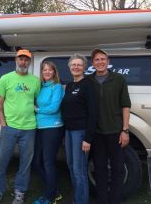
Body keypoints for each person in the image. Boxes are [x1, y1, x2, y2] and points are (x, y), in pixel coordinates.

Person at [0, 49, 41, 204]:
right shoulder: (5, 79)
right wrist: (4, 125)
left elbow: (38, 102)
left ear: (29, 62)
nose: (23, 62)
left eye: (26, 60)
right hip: (9, 128)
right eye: (21, 59)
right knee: (0, 162)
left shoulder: (35, 81)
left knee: (25, 163)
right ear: (15, 60)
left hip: (29, 128)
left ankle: (20, 192)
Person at [87, 49, 131, 204]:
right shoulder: (88, 81)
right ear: (92, 63)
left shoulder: (118, 79)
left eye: (103, 59)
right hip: (97, 133)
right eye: (97, 60)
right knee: (100, 169)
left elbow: (126, 105)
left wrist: (125, 130)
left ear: (108, 61)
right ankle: (102, 199)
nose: (100, 62)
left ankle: (115, 200)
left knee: (118, 169)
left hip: (116, 132)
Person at [60, 53, 97, 204]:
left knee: (79, 170)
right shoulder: (69, 86)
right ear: (69, 67)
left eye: (79, 64)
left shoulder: (89, 85)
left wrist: (88, 139)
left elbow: (93, 113)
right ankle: (77, 198)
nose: (76, 67)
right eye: (73, 64)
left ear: (84, 67)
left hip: (80, 133)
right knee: (70, 165)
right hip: (69, 132)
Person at [32, 61, 64, 204]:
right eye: (44, 70)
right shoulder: (40, 87)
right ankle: (55, 189)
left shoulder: (56, 87)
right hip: (40, 128)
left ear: (54, 72)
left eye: (50, 70)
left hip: (53, 128)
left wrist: (37, 110)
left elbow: (54, 108)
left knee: (48, 163)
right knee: (36, 162)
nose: (47, 72)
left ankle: (50, 197)